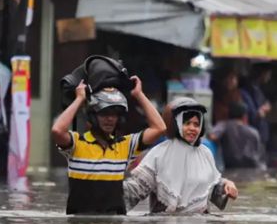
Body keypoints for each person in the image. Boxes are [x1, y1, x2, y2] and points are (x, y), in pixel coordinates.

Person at [52, 76, 166, 215]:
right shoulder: (77, 144)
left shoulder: (125, 145)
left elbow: (159, 128)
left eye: (114, 114)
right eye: (104, 114)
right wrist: (79, 99)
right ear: (93, 116)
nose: (110, 119)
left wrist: (139, 95)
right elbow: (57, 131)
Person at [124, 97, 238, 214]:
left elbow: (211, 187)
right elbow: (137, 189)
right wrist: (111, 196)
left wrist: (226, 185)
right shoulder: (159, 153)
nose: (193, 128)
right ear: (176, 124)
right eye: (187, 123)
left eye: (196, 124)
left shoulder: (205, 153)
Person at [210, 101, 263, 169]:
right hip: (252, 168)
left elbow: (212, 136)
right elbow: (259, 154)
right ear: (244, 116)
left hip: (230, 169)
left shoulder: (224, 125)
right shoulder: (253, 132)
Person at [240, 63, 272, 146]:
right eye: (268, 74)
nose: (269, 77)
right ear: (262, 74)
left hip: (260, 132)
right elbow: (253, 114)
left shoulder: (259, 89)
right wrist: (261, 111)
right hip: (254, 133)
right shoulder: (248, 91)